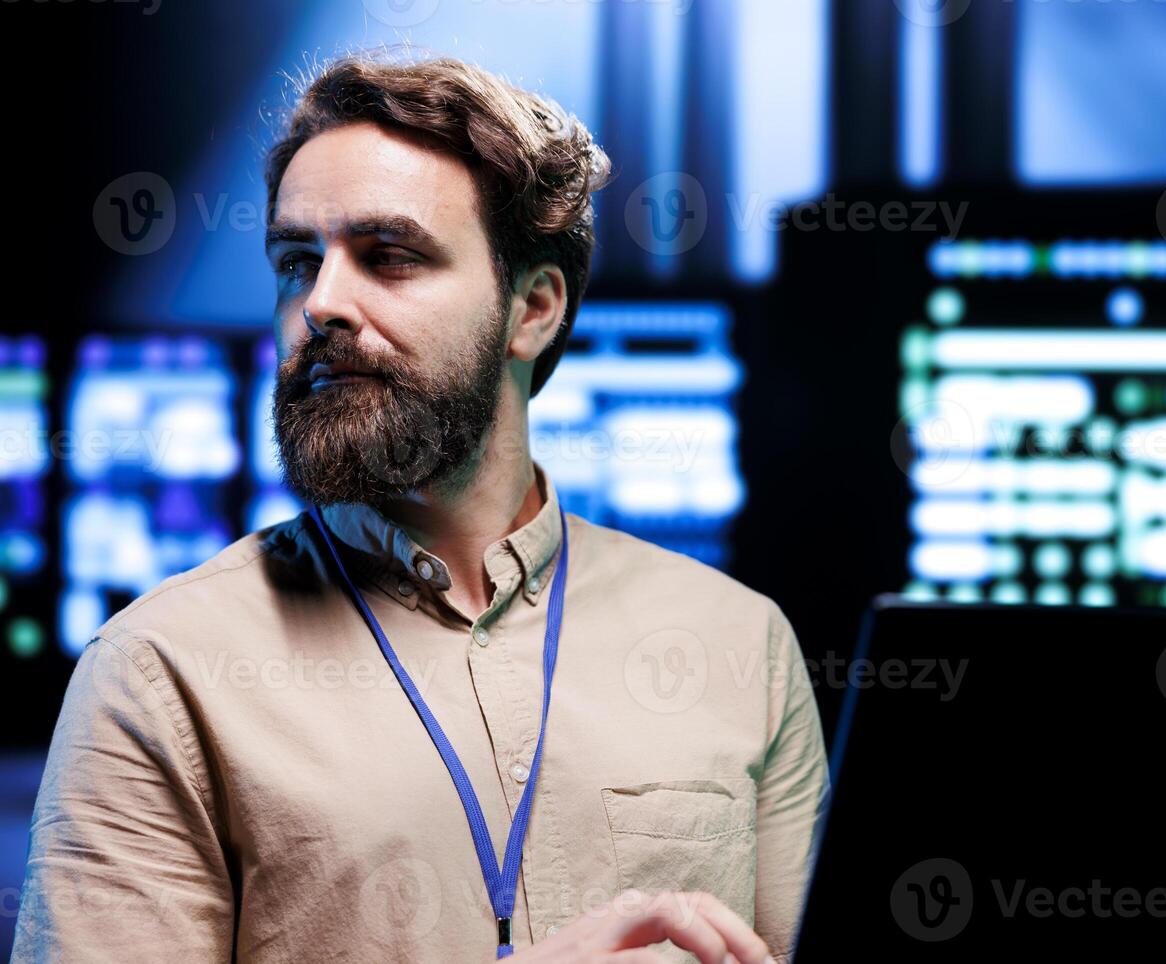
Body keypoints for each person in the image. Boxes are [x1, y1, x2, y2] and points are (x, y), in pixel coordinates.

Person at [13, 51, 829, 963]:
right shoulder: (161, 672)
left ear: (535, 309)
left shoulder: (741, 644)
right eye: (295, 261)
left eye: (387, 256)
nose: (320, 304)